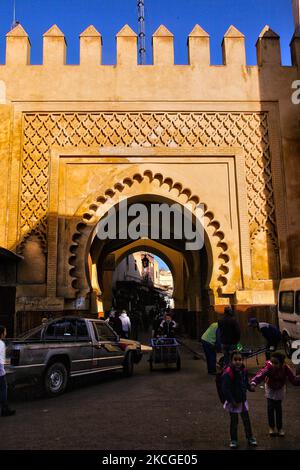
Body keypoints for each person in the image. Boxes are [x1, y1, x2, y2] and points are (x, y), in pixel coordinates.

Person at [250, 351, 300, 436]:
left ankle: (280, 428)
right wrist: (253, 383)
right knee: (270, 408)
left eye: (276, 363)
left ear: (281, 363)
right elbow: (260, 374)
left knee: (278, 408)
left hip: (280, 389)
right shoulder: (269, 367)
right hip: (270, 388)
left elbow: (293, 380)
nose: (273, 364)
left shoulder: (285, 368)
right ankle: (271, 427)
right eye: (272, 362)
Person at [221, 350, 257, 449]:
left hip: (242, 400)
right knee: (234, 421)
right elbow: (225, 389)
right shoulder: (228, 372)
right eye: (235, 359)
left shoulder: (243, 370)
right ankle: (233, 440)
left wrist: (250, 388)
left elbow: (245, 382)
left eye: (240, 359)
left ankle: (250, 437)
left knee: (246, 420)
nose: (238, 361)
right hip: (233, 402)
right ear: (231, 360)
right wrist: (232, 401)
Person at [0, 325, 15, 417]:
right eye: (5, 332)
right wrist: (2, 371)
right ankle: (4, 409)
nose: (6, 333)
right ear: (1, 334)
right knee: (3, 389)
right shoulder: (1, 344)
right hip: (0, 373)